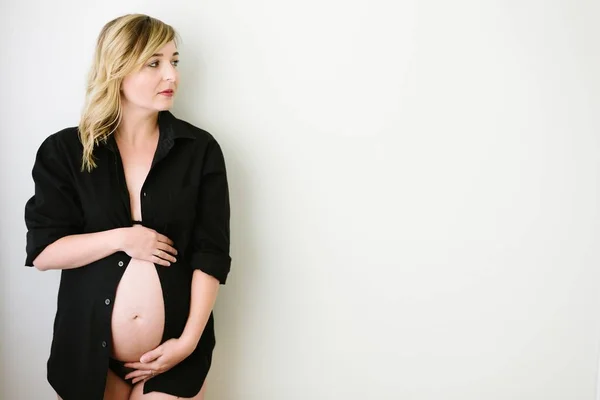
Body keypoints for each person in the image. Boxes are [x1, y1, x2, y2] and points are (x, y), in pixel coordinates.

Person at [23, 13, 231, 400]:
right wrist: (124, 238)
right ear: (117, 68)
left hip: (174, 355)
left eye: (174, 61)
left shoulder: (200, 150)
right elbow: (45, 253)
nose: (171, 76)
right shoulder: (65, 152)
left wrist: (186, 343)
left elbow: (212, 255)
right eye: (154, 63)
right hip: (87, 355)